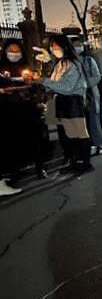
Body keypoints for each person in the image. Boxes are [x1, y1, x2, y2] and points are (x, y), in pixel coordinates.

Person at [30, 35, 93, 173]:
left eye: (56, 46)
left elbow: (67, 87)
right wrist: (40, 80)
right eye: (52, 47)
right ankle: (76, 161)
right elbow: (53, 84)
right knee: (70, 133)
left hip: (73, 101)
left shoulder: (72, 64)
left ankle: (86, 162)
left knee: (80, 132)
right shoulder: (59, 64)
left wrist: (42, 81)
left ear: (65, 46)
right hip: (63, 101)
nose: (54, 49)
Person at [0, 39, 47, 196]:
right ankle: (15, 171)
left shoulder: (27, 66)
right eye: (10, 51)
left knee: (34, 138)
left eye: (17, 50)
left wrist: (32, 84)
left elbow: (36, 86)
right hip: (8, 110)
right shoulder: (1, 68)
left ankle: (40, 166)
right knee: (12, 141)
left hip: (27, 107)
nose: (14, 54)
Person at [71, 36, 102, 155]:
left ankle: (97, 143)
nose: (77, 47)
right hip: (76, 96)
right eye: (74, 45)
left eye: (79, 45)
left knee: (93, 120)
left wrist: (85, 84)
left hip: (90, 94)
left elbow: (97, 76)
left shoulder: (89, 60)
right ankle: (85, 145)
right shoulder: (69, 62)